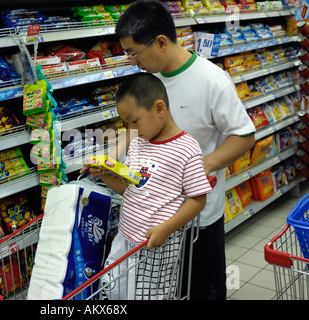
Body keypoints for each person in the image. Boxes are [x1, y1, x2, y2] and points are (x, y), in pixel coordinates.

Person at [114, 0, 257, 300]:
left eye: (134, 53)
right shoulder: (147, 82)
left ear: (161, 42)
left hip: (196, 219)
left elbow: (244, 136)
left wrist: (202, 165)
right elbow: (134, 127)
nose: (132, 61)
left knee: (202, 289)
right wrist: (111, 157)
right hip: (153, 216)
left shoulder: (212, 81)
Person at [80, 72, 213, 299]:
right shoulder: (139, 143)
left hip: (156, 245)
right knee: (112, 290)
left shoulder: (186, 149)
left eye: (134, 121)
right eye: (125, 122)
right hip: (125, 235)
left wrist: (165, 229)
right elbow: (133, 188)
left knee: (148, 296)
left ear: (159, 109)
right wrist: (104, 175)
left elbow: (198, 199)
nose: (130, 128)